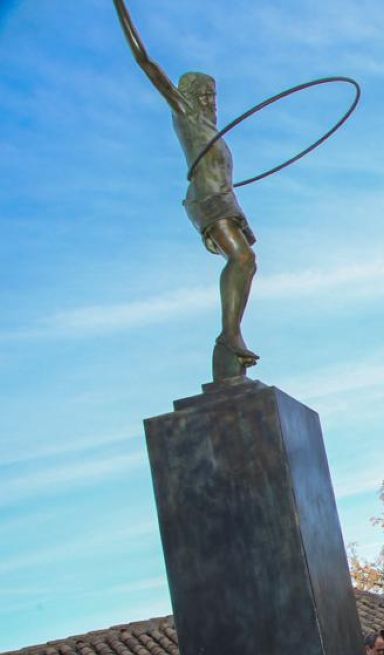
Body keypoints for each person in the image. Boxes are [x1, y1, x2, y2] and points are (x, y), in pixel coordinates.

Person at [114, 0, 260, 379]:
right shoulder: (187, 117)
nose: (211, 102)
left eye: (214, 96)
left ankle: (231, 337)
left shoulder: (213, 130)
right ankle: (228, 336)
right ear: (190, 97)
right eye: (205, 96)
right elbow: (146, 62)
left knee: (248, 262)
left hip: (225, 201)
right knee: (241, 260)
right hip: (208, 202)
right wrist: (122, 9)